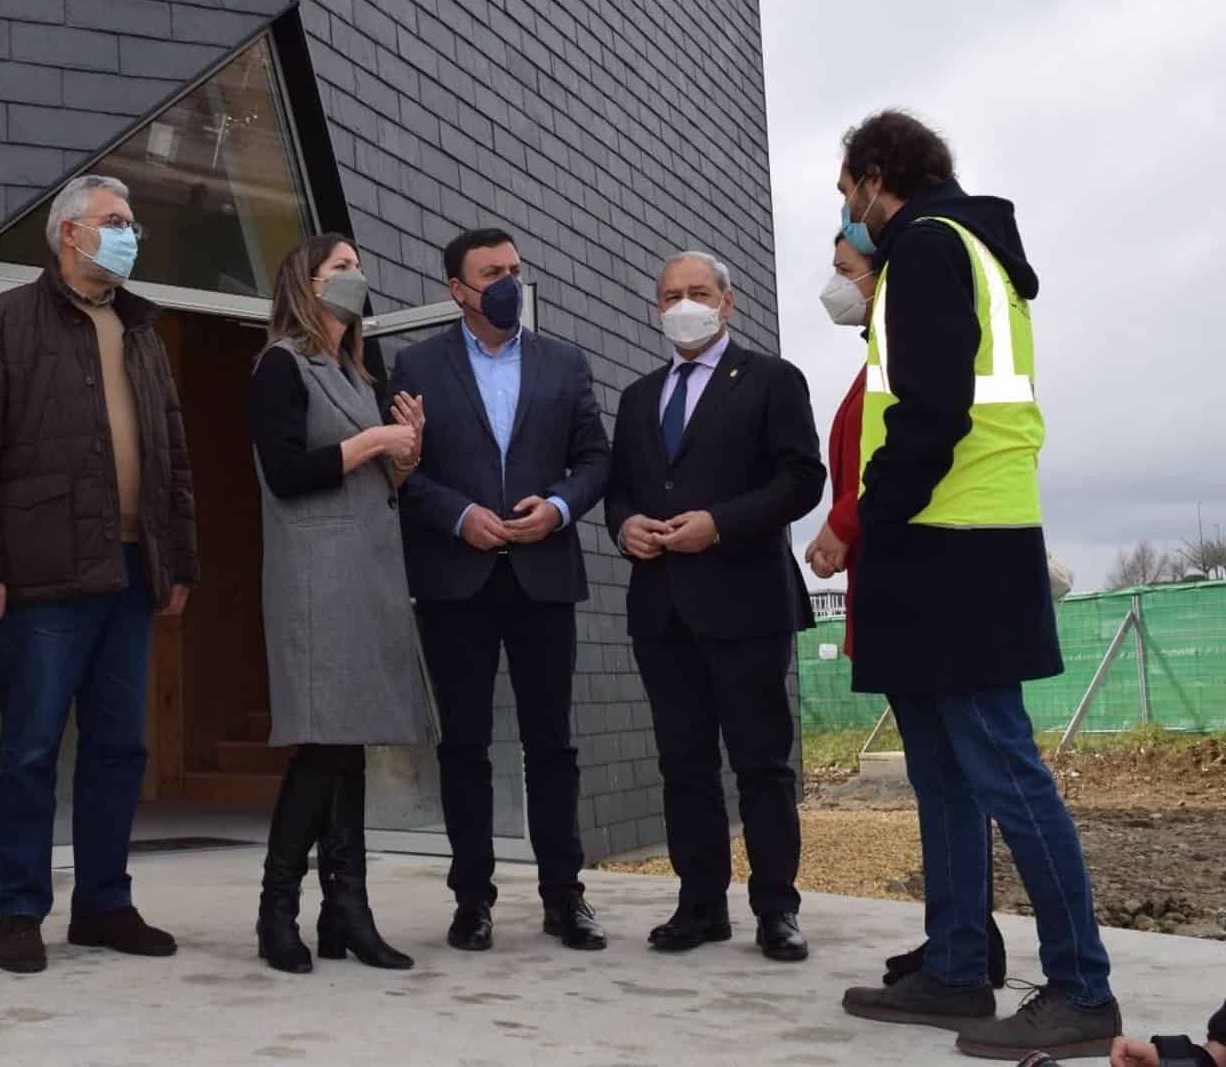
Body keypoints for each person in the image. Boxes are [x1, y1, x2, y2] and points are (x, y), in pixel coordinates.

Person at [830, 111, 1120, 1059]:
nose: (848, 213)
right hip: (949, 539)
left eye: (847, 193)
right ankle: (956, 968)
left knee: (1000, 766)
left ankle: (1081, 985)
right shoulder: (959, 247)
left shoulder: (926, 247)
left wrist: (876, 510)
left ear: (877, 177)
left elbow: (935, 407)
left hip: (952, 538)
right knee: (945, 770)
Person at [0, 173, 199, 975]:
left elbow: (172, 454)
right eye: (113, 221)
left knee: (119, 746)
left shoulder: (143, 329)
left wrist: (177, 558)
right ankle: (19, 911)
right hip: (42, 575)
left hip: (129, 568)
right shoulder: (3, 322)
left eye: (132, 224)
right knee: (29, 748)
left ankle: (104, 903)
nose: (127, 235)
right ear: (68, 234)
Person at [388, 229, 613, 952]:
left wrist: (559, 506)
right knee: (466, 745)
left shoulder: (564, 362)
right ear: (457, 288)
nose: (508, 282)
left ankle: (563, 894)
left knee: (553, 744)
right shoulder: (415, 364)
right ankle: (472, 897)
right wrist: (457, 516)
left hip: (544, 575)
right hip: (458, 581)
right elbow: (400, 473)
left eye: (515, 269)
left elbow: (595, 458)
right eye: (492, 273)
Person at [604, 250, 825, 964]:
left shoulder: (771, 380)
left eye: (698, 292)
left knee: (761, 765)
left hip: (747, 603)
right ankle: (699, 904)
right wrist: (624, 525)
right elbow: (621, 488)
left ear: (727, 303)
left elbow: (801, 479)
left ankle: (776, 909)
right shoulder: (639, 397)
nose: (684, 304)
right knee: (684, 764)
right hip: (663, 610)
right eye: (670, 294)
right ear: (654, 309)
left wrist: (720, 523)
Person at [807, 228, 1011, 994]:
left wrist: (843, 527)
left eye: (844, 270)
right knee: (941, 782)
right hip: (892, 590)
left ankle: (962, 953)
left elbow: (909, 455)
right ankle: (956, 939)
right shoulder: (878, 358)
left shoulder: (902, 358)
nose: (835, 285)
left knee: (956, 782)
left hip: (920, 586)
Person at [247, 234, 437, 974]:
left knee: (348, 742)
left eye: (359, 267)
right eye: (340, 269)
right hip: (314, 579)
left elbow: (377, 478)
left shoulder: (355, 374)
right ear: (306, 282)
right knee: (322, 744)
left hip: (364, 574)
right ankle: (278, 908)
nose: (355, 278)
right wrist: (374, 441)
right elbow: (288, 472)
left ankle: (345, 911)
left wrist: (406, 451)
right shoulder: (279, 366)